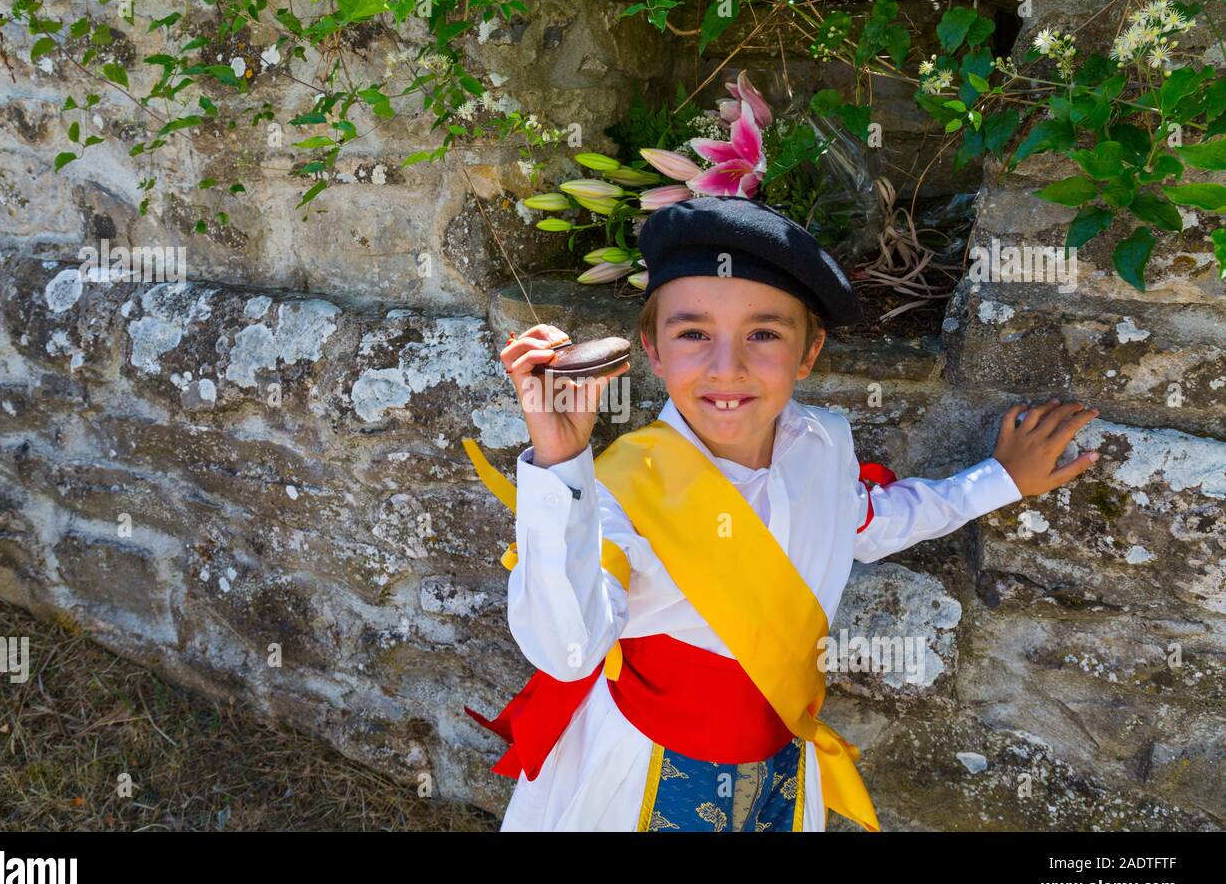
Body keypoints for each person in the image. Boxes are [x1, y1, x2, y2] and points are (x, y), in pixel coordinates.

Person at [462, 195, 1102, 831]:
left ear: (809, 351)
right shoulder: (622, 490)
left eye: (763, 334)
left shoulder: (820, 445)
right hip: (646, 773)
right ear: (652, 351)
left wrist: (999, 480)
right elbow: (568, 650)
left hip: (782, 764)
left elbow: (866, 521)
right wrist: (561, 458)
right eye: (693, 334)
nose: (727, 366)